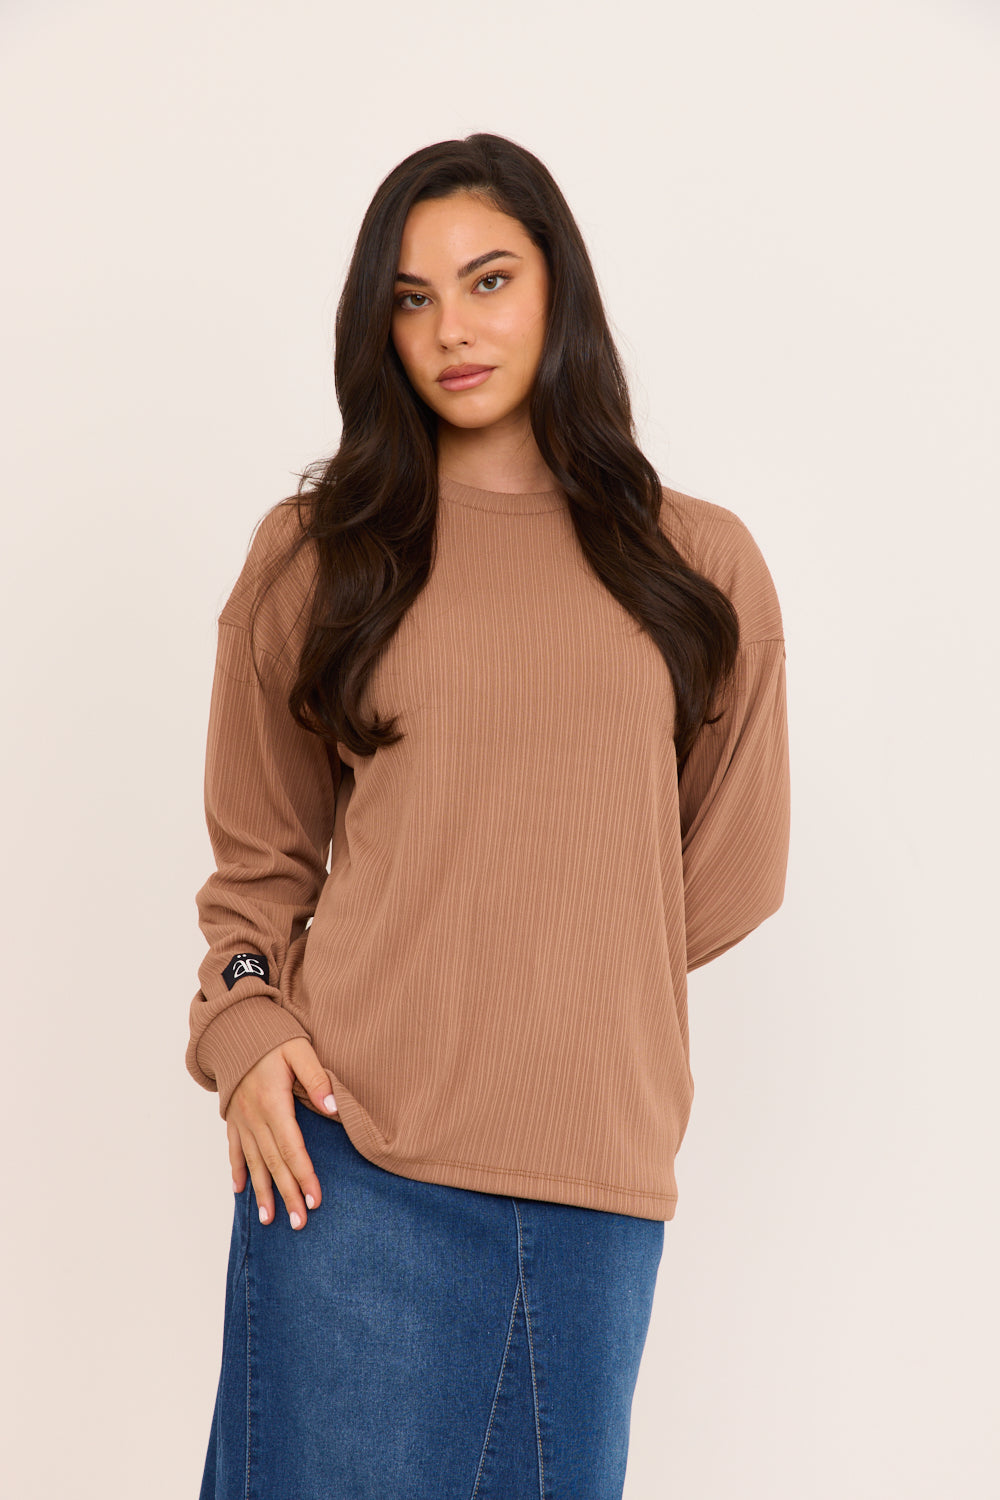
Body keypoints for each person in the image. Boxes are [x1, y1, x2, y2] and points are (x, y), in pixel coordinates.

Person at [186, 132, 791, 1500]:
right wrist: (248, 1026)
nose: (450, 328)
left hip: (594, 1178)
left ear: (559, 287)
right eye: (411, 298)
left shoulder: (699, 565)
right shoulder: (318, 557)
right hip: (347, 1164)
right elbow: (258, 864)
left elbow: (730, 869)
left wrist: (560, 973)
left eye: (489, 280)